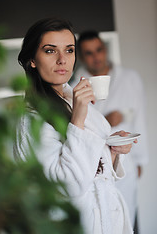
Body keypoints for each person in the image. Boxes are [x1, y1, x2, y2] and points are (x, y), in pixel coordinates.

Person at [13, 18, 137, 234]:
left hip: (108, 221)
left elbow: (96, 166)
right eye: (50, 51)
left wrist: (114, 150)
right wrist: (78, 118)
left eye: (69, 50)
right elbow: (68, 186)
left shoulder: (73, 99)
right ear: (32, 59)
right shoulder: (31, 120)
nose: (63, 60)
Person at [70, 30, 149, 232]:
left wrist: (141, 159)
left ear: (105, 49)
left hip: (126, 159)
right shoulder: (75, 86)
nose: (96, 57)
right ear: (82, 56)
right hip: (95, 164)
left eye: (98, 50)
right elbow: (78, 126)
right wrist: (106, 120)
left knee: (125, 217)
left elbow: (139, 118)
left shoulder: (130, 78)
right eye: (88, 53)